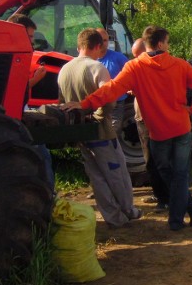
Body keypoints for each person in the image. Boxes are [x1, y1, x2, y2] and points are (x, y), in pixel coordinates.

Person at [63, 25, 192, 231]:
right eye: (167, 42)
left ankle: (179, 218)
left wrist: (85, 104)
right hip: (181, 127)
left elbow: (111, 90)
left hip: (157, 131)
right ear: (160, 43)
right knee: (179, 175)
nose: (168, 46)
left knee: (167, 172)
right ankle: (189, 209)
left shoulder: (135, 67)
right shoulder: (179, 64)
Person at [58, 28, 142, 228]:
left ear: (79, 46)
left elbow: (61, 101)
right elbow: (110, 96)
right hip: (101, 130)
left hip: (79, 131)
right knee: (116, 173)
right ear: (97, 46)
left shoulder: (65, 69)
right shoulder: (96, 67)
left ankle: (113, 217)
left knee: (96, 176)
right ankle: (128, 211)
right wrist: (98, 117)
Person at [7, 13, 55, 192]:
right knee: (42, 155)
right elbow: (13, 89)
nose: (32, 43)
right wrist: (36, 79)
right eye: (29, 37)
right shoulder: (7, 56)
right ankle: (48, 195)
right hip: (13, 119)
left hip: (18, 114)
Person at [131, 38, 169, 212]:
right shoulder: (139, 66)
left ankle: (165, 199)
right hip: (146, 116)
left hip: (151, 117)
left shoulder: (147, 67)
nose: (137, 59)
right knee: (153, 160)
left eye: (138, 55)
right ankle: (163, 195)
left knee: (156, 160)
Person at [97, 27, 129, 133]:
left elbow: (132, 74)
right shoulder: (89, 59)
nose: (104, 43)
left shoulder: (118, 58)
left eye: (106, 40)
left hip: (116, 103)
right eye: (100, 40)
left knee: (112, 131)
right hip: (96, 103)